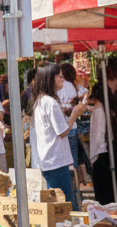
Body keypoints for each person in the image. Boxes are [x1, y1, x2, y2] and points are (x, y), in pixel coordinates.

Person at [28, 64, 88, 203]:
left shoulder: (41, 100)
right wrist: (75, 114)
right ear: (51, 78)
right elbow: (63, 132)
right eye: (59, 76)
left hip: (49, 159)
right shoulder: (50, 102)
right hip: (55, 160)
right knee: (64, 204)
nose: (63, 79)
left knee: (56, 204)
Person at [88, 63, 117, 206]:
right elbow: (99, 134)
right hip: (105, 151)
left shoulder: (114, 96)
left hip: (114, 147)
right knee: (108, 192)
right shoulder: (100, 99)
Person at [59, 61, 91, 190]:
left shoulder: (62, 86)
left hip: (64, 129)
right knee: (73, 164)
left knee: (66, 164)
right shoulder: (75, 87)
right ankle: (76, 191)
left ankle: (71, 191)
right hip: (74, 128)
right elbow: (85, 99)